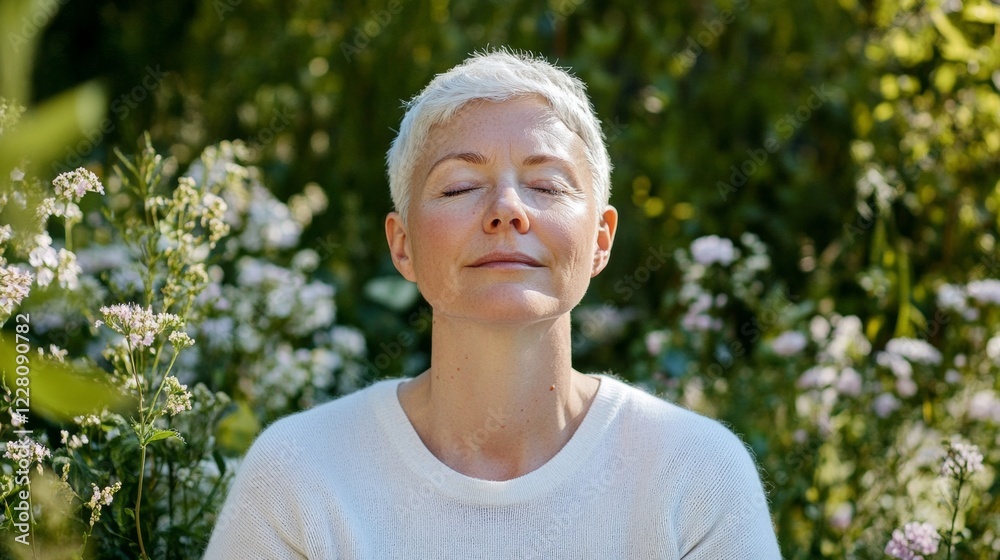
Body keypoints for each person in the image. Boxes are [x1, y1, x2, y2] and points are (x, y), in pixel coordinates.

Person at [203, 48, 781, 559]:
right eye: (459, 187)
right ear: (402, 244)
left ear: (601, 240)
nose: (507, 209)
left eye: (548, 185)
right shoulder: (301, 475)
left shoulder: (697, 475)